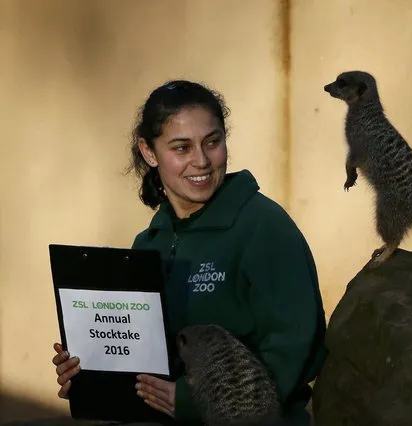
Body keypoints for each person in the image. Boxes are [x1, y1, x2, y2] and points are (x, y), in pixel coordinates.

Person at [51, 79, 327, 425]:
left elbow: (293, 348)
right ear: (149, 152)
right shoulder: (148, 242)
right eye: (181, 148)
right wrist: (92, 371)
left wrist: (193, 401)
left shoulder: (263, 226)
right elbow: (146, 365)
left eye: (212, 142)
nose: (201, 161)